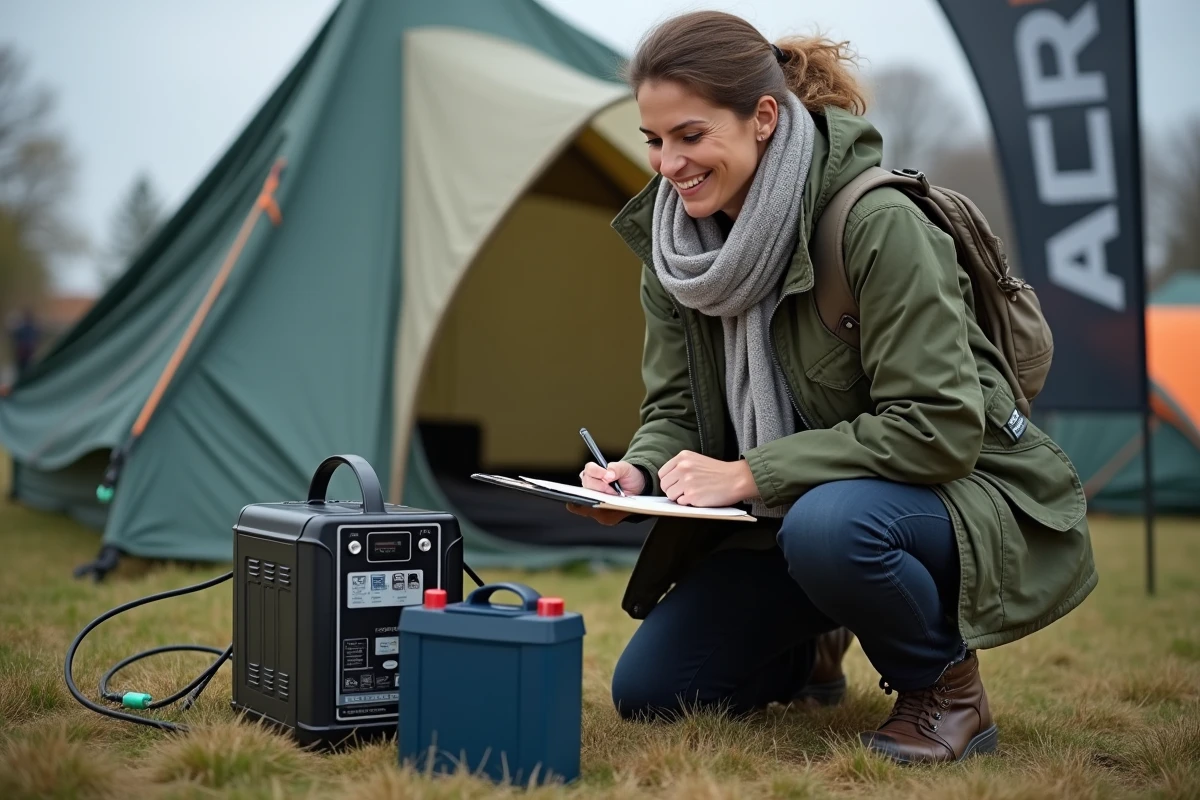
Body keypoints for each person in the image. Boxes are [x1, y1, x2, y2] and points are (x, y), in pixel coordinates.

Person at [568, 11, 1096, 765]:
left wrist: (754, 473)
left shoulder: (876, 223)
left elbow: (941, 426)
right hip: (788, 516)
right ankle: (812, 644)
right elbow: (678, 409)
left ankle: (945, 694)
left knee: (830, 529)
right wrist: (639, 471)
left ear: (762, 117)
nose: (668, 164)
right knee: (655, 694)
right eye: (653, 140)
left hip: (948, 495)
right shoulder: (675, 248)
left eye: (690, 136)